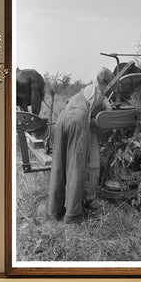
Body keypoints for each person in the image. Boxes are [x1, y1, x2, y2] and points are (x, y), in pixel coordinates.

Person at [48, 67, 114, 224]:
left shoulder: (85, 89)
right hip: (77, 122)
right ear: (106, 83)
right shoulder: (101, 93)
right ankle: (72, 214)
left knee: (58, 165)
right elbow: (107, 116)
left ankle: (54, 210)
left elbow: (67, 102)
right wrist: (107, 103)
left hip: (62, 119)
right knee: (75, 167)